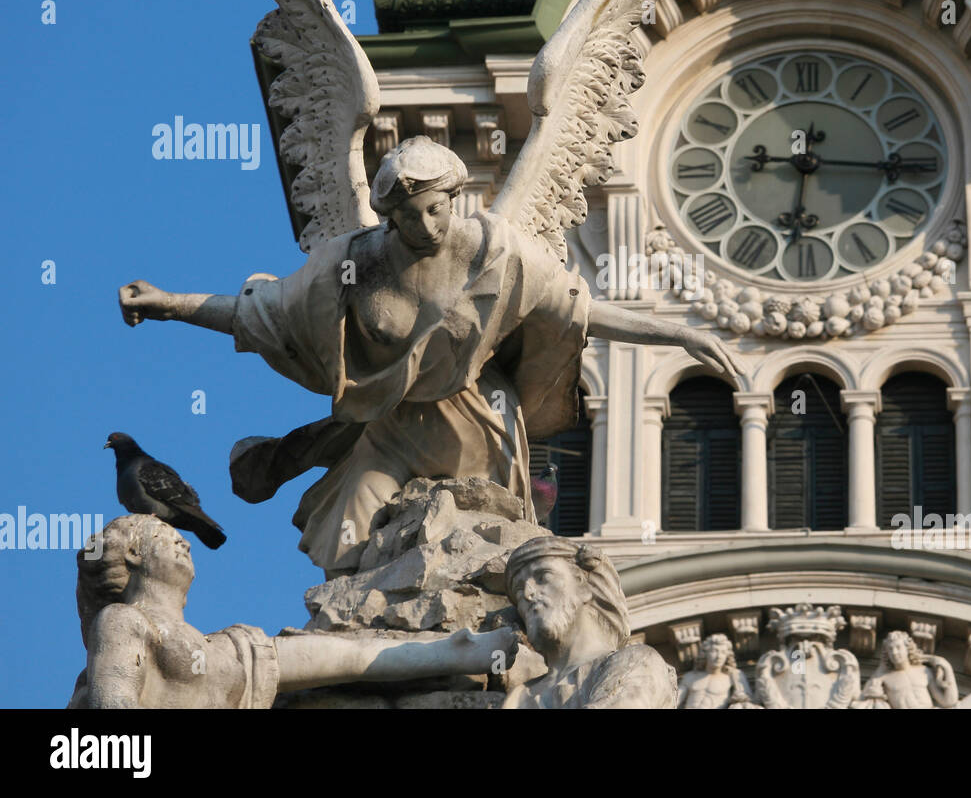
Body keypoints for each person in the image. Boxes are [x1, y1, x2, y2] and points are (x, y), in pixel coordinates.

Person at [119, 137, 741, 576]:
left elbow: (578, 310)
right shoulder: (350, 267)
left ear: (456, 197)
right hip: (393, 429)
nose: (427, 225)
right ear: (388, 217)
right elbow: (262, 316)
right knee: (346, 537)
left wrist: (679, 334)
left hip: (478, 423)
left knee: (478, 554)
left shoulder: (498, 253)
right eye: (410, 216)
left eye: (437, 209)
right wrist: (171, 302)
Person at [67, 514, 518, 708]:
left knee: (343, 655)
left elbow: (348, 660)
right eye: (165, 538)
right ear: (131, 555)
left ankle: (457, 651)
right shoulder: (123, 621)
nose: (184, 541)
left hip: (237, 655)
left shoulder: (228, 648)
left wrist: (455, 653)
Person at [501, 537, 676, 708]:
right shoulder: (519, 697)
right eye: (518, 590)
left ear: (583, 586)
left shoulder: (638, 661)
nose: (528, 593)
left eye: (543, 577)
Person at [857, 630, 971, 709]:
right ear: (886, 654)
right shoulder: (884, 678)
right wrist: (881, 668)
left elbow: (949, 702)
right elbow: (862, 700)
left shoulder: (924, 671)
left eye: (898, 647)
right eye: (890, 650)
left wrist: (946, 667)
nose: (895, 652)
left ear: (907, 648)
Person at [678, 633, 756, 709]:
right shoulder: (690, 677)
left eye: (723, 652)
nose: (719, 656)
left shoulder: (732, 677)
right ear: (705, 653)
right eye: (714, 651)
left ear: (727, 656)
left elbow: (746, 702)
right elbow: (674, 700)